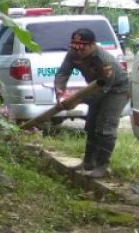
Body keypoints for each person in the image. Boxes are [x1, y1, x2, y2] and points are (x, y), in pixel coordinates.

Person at [55, 27, 130, 177]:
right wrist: (59, 90)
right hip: (95, 87)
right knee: (91, 125)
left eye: (82, 49)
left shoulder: (104, 60)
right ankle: (89, 162)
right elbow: (63, 72)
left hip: (116, 90)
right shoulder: (73, 53)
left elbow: (104, 88)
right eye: (76, 48)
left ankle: (103, 166)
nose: (78, 52)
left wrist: (79, 100)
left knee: (105, 127)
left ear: (92, 45)